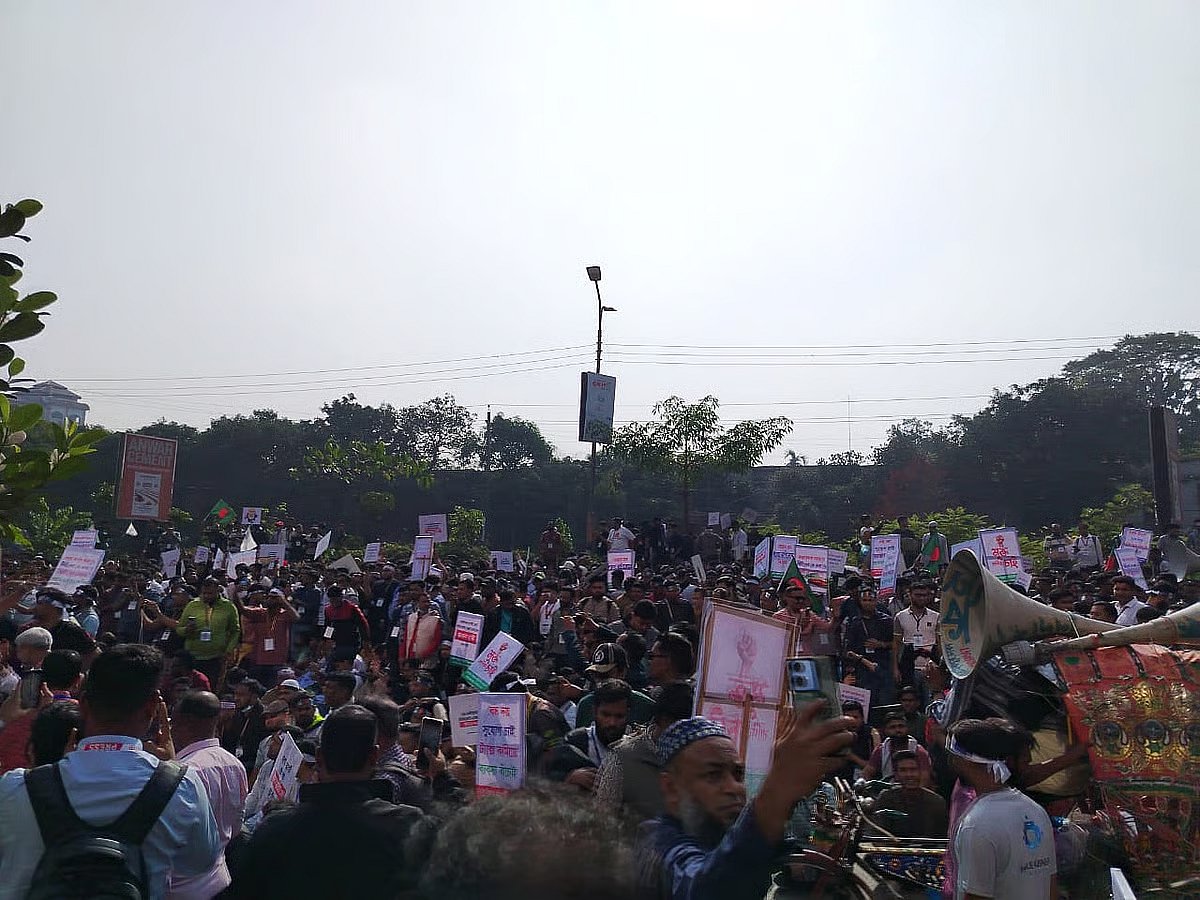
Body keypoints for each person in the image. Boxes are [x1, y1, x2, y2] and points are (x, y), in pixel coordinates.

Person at [0, 644, 221, 900]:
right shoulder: (182, 787)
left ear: (83, 705)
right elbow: (200, 863)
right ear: (152, 707)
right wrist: (171, 770)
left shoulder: (16, 788)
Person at [636, 703, 855, 900]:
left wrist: (825, 841)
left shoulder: (718, 832)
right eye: (713, 775)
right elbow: (706, 889)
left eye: (737, 774)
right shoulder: (656, 843)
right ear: (671, 788)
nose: (734, 787)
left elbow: (787, 860)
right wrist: (777, 792)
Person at [226, 705, 435, 899]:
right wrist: (442, 781)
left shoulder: (275, 829)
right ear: (374, 757)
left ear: (319, 757)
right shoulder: (409, 826)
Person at [948, 718, 1057, 900]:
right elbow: (1051, 886)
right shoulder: (1036, 811)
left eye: (952, 756)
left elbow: (976, 896)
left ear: (963, 761)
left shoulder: (976, 825)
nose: (950, 761)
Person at [169, 691, 248, 899]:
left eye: (172, 722)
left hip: (181, 887)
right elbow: (236, 825)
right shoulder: (234, 764)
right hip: (219, 879)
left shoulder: (184, 772)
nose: (170, 729)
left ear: (184, 722)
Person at [595, 681, 693, 823]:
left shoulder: (695, 761)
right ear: (663, 720)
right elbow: (602, 819)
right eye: (680, 727)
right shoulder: (622, 758)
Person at [175, 577, 241, 690]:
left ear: (218, 590)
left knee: (210, 689)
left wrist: (229, 650)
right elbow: (179, 628)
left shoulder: (228, 607)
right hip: (193, 657)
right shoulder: (192, 605)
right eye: (204, 593)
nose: (206, 596)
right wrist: (186, 630)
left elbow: (235, 631)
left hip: (216, 657)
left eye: (210, 593)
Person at [873, 749, 948, 838]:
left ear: (920, 772)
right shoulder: (886, 799)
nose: (909, 775)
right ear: (896, 775)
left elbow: (943, 839)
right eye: (903, 770)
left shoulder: (937, 802)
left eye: (913, 770)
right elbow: (878, 835)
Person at [575, 644, 654, 728]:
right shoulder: (586, 704)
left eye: (605, 675)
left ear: (622, 672)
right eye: (595, 675)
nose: (600, 681)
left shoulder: (645, 706)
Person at [861, 711, 933, 786]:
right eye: (892, 727)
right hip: (889, 790)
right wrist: (861, 782)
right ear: (885, 731)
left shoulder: (919, 751)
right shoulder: (881, 750)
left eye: (901, 726)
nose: (898, 730)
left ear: (907, 728)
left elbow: (925, 779)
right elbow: (867, 773)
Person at [893, 579, 937, 694]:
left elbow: (940, 642)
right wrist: (895, 668)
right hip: (909, 666)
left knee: (930, 698)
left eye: (924, 595)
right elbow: (896, 644)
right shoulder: (900, 616)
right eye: (918, 595)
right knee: (911, 698)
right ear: (910, 595)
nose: (921, 598)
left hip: (930, 666)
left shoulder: (936, 617)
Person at [220, 678, 269, 771]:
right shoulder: (237, 712)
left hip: (251, 764)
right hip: (233, 758)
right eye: (235, 694)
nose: (236, 698)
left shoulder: (263, 716)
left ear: (254, 697)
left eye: (241, 695)